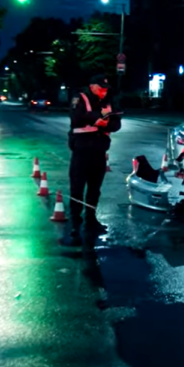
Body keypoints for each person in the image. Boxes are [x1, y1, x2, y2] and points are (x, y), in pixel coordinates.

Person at [68, 74, 121, 245]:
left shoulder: (108, 101)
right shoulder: (80, 97)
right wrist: (97, 118)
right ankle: (75, 223)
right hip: (81, 151)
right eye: (101, 88)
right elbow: (76, 117)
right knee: (77, 188)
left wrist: (105, 123)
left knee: (94, 189)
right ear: (92, 86)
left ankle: (91, 219)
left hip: (99, 152)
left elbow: (116, 123)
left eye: (106, 89)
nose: (104, 92)